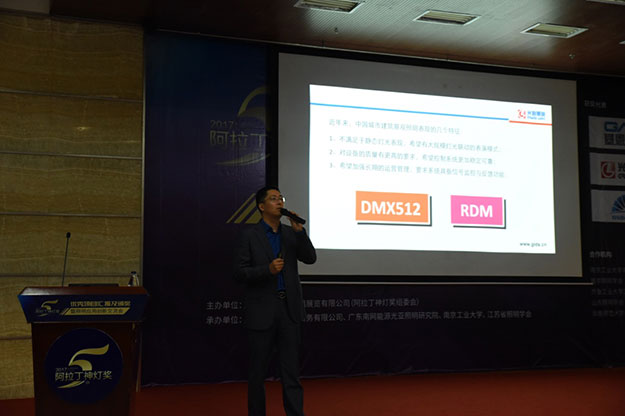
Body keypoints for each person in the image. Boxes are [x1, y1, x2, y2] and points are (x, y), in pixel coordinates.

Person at [234, 186, 317, 416]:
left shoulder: (290, 233)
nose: (280, 202)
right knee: (257, 373)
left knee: (291, 372)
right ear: (262, 206)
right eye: (273, 199)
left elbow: (310, 258)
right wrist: (266, 270)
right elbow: (239, 273)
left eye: (281, 198)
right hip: (262, 311)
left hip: (288, 310)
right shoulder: (249, 236)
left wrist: (300, 233)